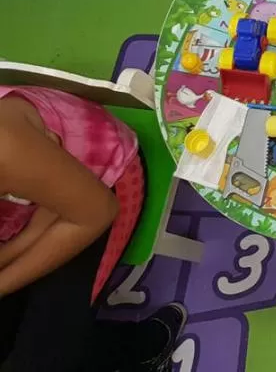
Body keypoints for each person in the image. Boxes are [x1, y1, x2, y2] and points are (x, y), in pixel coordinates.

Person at [0, 86, 186, 372]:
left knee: (40, 358)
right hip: (38, 206)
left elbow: (96, 214)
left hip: (100, 182)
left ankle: (139, 348)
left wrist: (19, 250)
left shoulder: (6, 144)